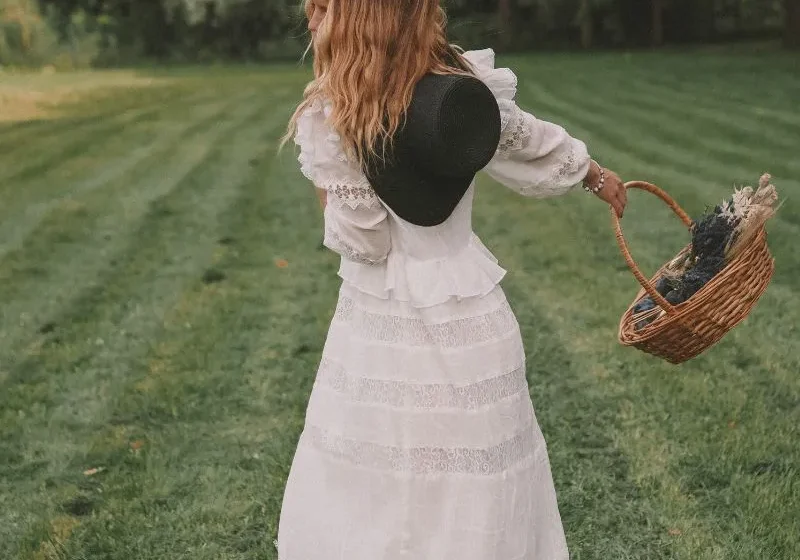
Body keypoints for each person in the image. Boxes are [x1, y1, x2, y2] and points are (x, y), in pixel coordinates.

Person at [277, 1, 627, 559]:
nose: (312, 23)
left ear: (361, 21)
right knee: (479, 481)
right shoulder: (462, 86)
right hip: (472, 315)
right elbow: (523, 140)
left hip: (381, 323)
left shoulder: (337, 114)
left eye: (321, 10)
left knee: (380, 484)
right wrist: (593, 173)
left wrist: (330, 172)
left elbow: (364, 241)